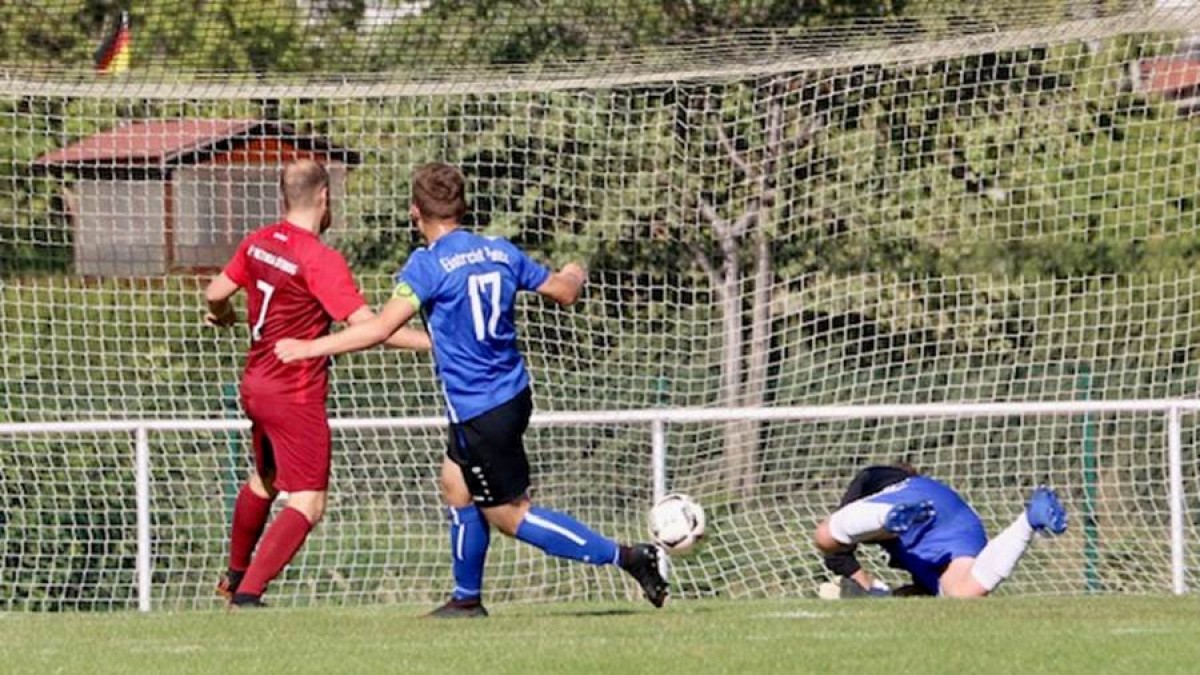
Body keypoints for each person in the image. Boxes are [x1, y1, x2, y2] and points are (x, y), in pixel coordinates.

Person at [274, 161, 669, 617]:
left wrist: (309, 348)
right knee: (456, 485)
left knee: (510, 515)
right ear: (462, 207)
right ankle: (465, 599)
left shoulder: (427, 265)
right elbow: (564, 291)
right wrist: (575, 272)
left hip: (481, 411)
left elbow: (380, 328)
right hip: (509, 394)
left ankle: (629, 557)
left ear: (415, 212)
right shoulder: (499, 251)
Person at [204, 159, 430, 608]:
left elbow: (215, 293)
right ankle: (248, 596)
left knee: (266, 480)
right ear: (325, 197)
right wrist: (438, 344)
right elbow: (372, 328)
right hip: (294, 392)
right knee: (308, 501)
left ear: (284, 195)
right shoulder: (319, 259)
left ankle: (235, 575)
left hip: (255, 385)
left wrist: (223, 315)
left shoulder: (257, 242)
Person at [813, 464, 1068, 598]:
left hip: (914, 498)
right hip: (962, 526)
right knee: (962, 594)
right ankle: (1027, 522)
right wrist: (889, 597)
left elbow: (837, 555)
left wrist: (867, 586)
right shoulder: (922, 568)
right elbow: (920, 594)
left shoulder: (884, 478)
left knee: (825, 536)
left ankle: (886, 517)